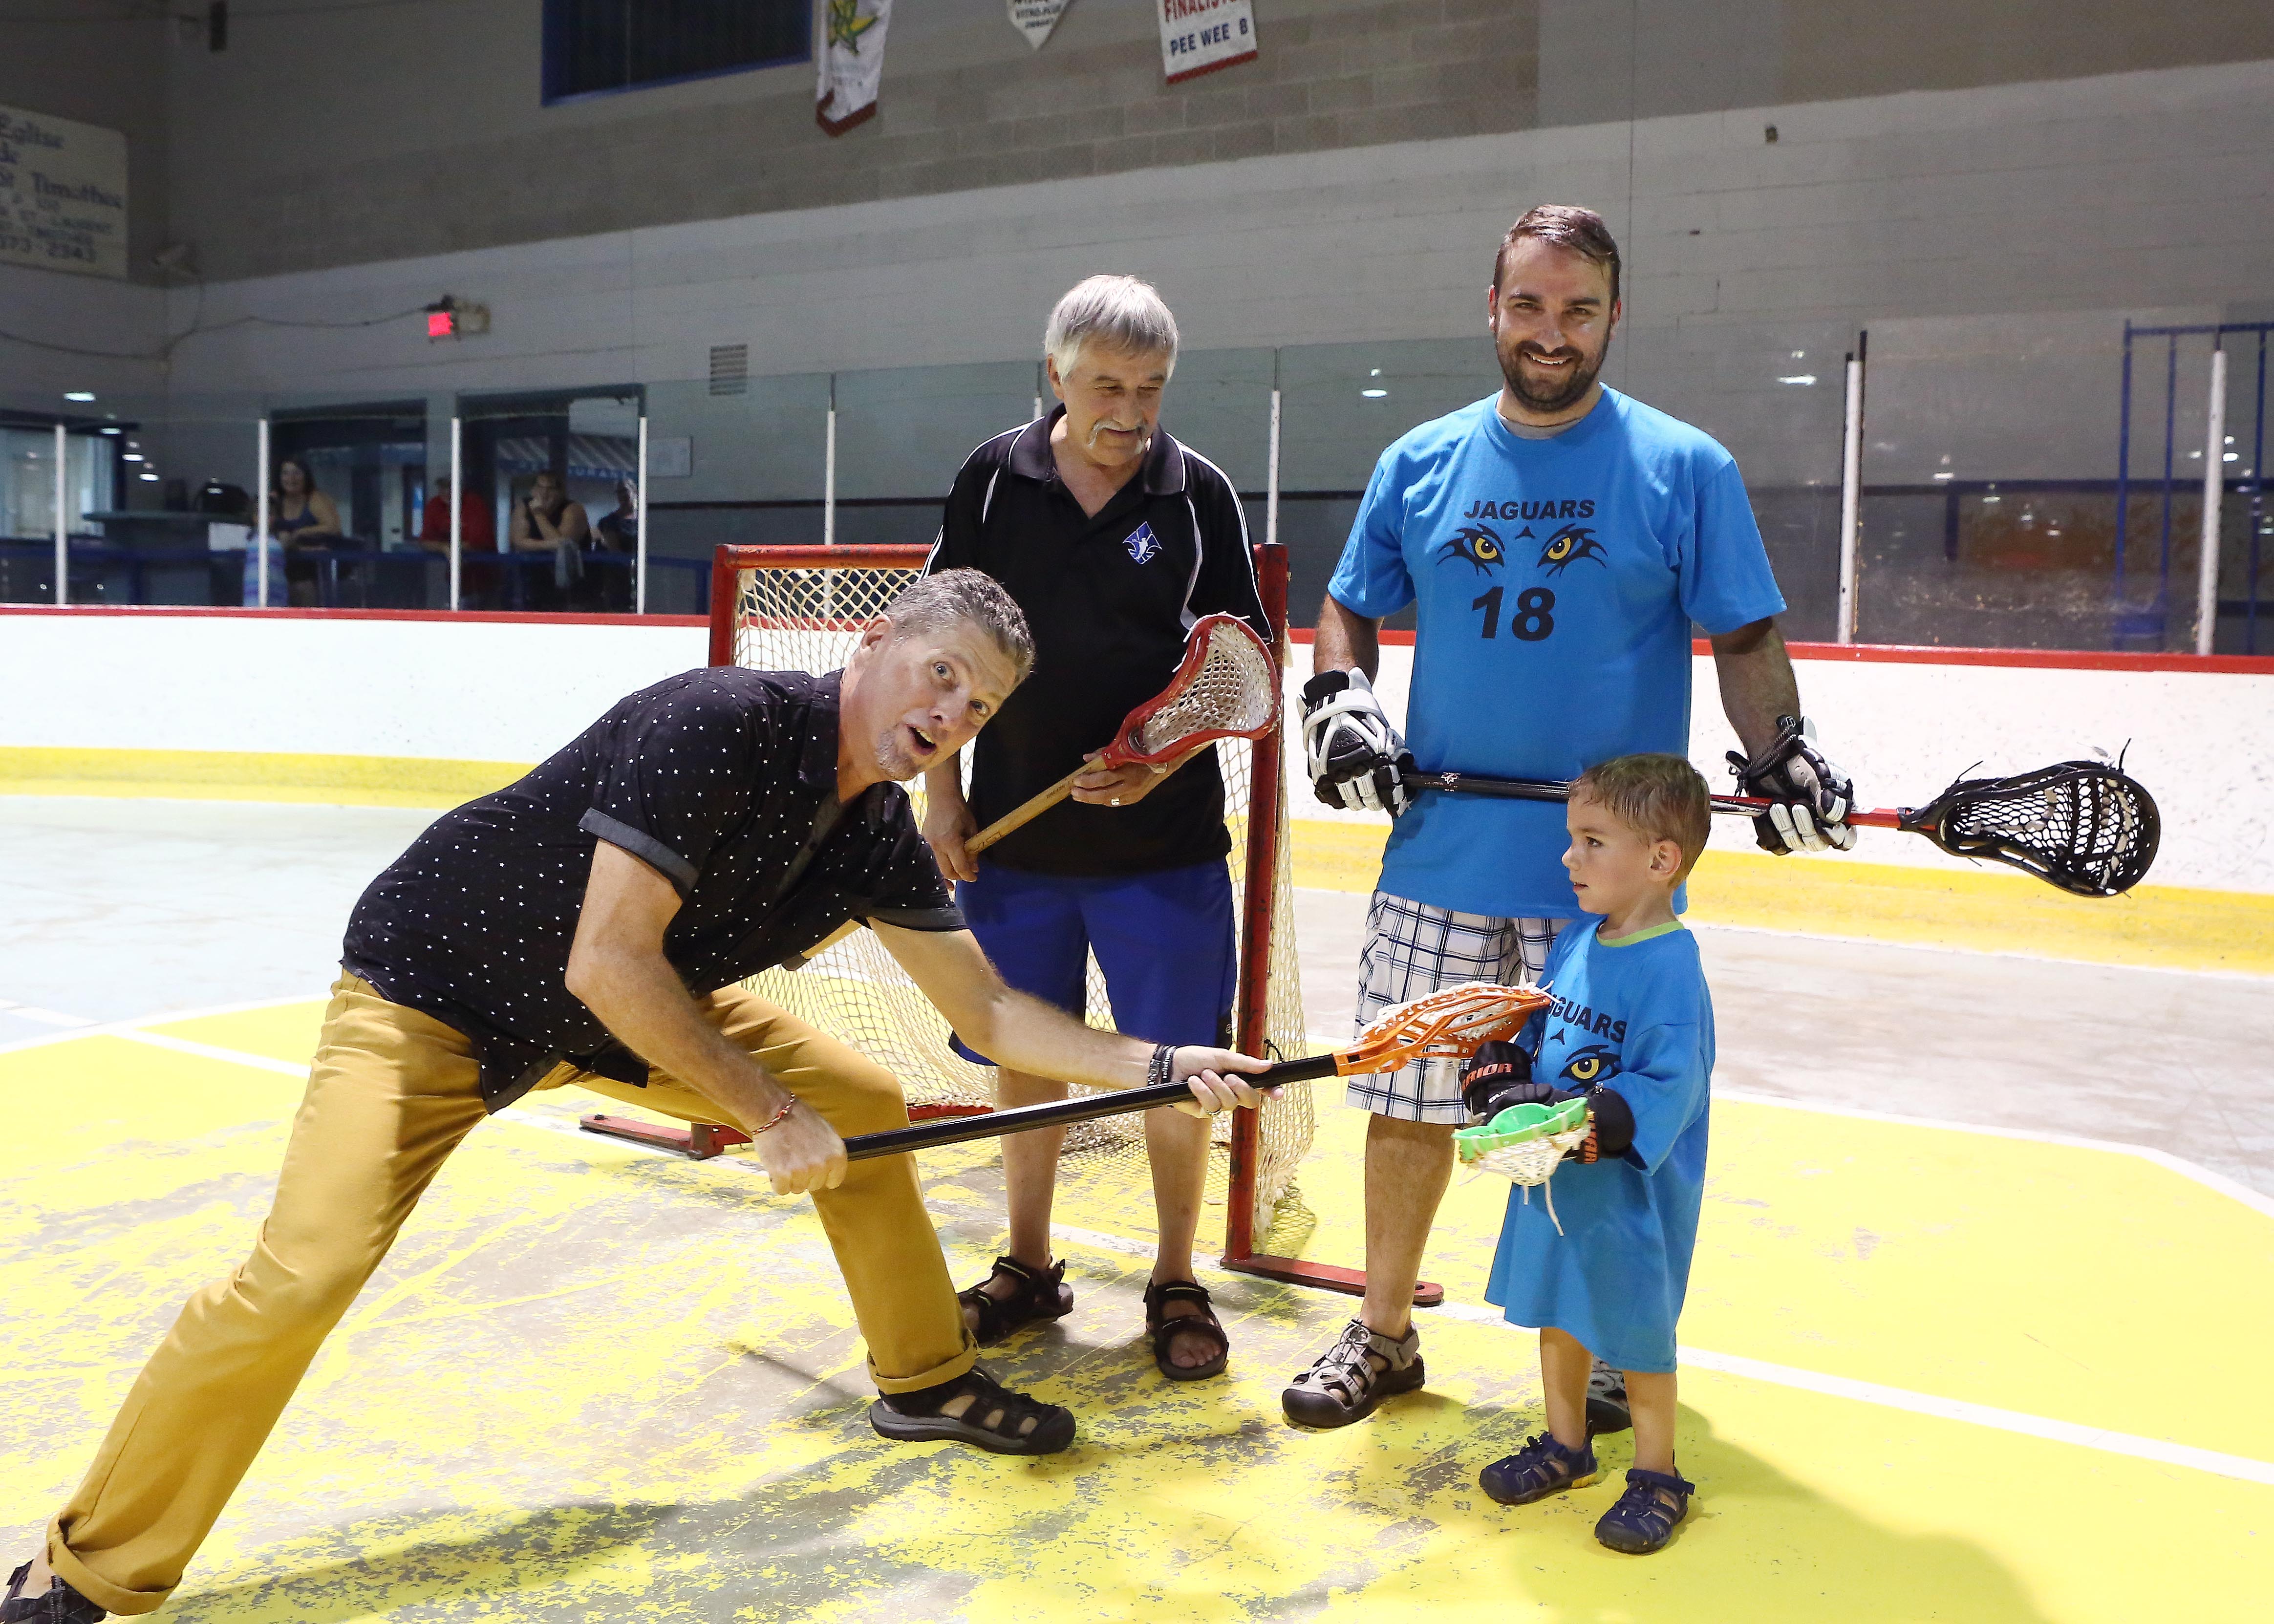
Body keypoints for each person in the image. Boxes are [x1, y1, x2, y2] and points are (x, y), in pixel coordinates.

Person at [2, 569, 1273, 1624]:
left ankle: (923, 1379)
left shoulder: (878, 830)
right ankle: (79, 1565)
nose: (951, 711)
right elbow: (603, 957)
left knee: (863, 1095)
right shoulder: (718, 721)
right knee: (304, 1269)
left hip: (617, 1004)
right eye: (938, 672)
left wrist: (1162, 1063)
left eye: (979, 702)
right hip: (440, 990)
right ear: (873, 639)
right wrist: (769, 1114)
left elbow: (991, 1016)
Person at [1286, 204, 1857, 1433]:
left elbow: (1743, 633)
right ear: (1491, 309)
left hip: (1606, 885)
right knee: (1406, 1106)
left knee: (1597, 1130)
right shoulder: (1419, 459)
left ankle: (1607, 1345)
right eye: (1530, 305)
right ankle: (1381, 1333)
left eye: (1578, 308)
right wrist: (1338, 698)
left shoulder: (1680, 466)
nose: (1552, 332)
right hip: (1442, 850)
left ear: (1612, 316)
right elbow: (1346, 604)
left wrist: (1782, 752)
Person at [921, 274, 1269, 1381]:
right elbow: (938, 640)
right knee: (1023, 1060)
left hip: (1160, 855)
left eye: (1151, 387)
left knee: (1176, 1071)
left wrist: (1157, 756)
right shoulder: (990, 478)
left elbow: (1240, 669)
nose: (1129, 410)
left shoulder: (1199, 493)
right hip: (1013, 847)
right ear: (1055, 373)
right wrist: (940, 791)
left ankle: (1174, 1275)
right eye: (1107, 384)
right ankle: (1026, 1263)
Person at [1462, 754, 1715, 1555]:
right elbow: (1536, 1030)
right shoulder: (1576, 938)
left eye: (1590, 840)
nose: (1568, 857)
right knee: (1555, 1312)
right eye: (1572, 838)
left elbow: (1666, 1085)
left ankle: (1655, 1472)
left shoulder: (1670, 967)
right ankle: (1565, 1444)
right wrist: (1498, 1073)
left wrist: (1568, 1121)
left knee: (1636, 1337)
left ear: (1658, 859)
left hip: (1624, 1203)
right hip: (1550, 1185)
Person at [509, 470, 591, 609]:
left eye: (550, 489)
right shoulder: (523, 506)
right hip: (533, 583)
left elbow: (563, 548)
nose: (544, 494)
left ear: (560, 493)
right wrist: (552, 544)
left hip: (570, 587)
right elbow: (518, 542)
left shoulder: (574, 510)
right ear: (533, 490)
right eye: (540, 488)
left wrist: (539, 515)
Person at [271, 456, 342, 608]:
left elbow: (333, 527)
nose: (291, 478)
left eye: (297, 473)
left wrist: (300, 533)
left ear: (306, 476)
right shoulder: (275, 500)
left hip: (312, 573)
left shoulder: (314, 499)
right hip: (277, 572)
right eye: (286, 473)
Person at [413, 473, 497, 554]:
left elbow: (479, 543)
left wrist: (450, 548)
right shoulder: (435, 504)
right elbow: (426, 541)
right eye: (443, 487)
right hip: (449, 561)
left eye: (451, 487)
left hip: (481, 563)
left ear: (461, 488)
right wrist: (442, 547)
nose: (447, 492)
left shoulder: (475, 504)